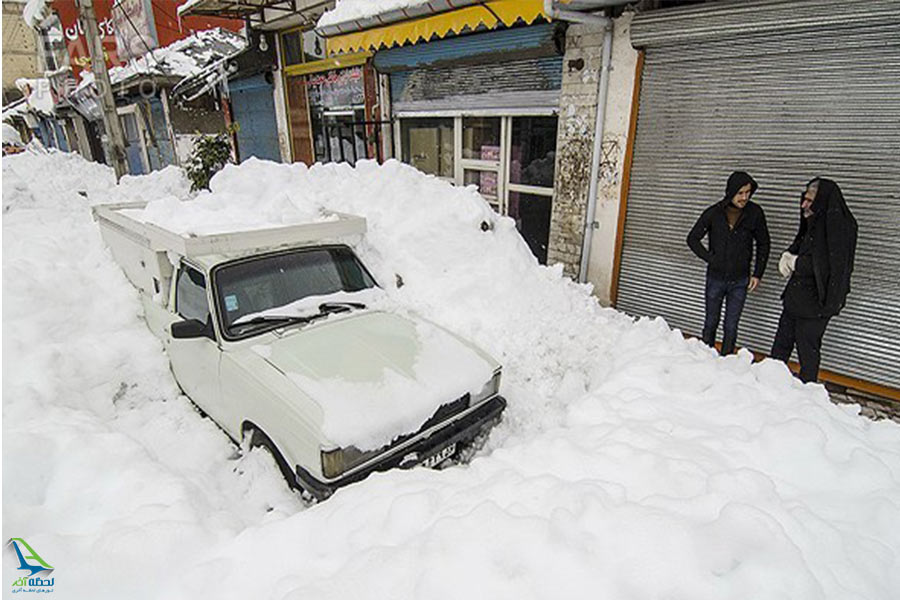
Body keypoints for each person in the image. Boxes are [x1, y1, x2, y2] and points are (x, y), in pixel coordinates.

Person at [771, 178, 857, 383]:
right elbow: (802, 243)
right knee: (781, 345)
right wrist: (789, 254)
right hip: (795, 299)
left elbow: (829, 266)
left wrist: (796, 262)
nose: (804, 205)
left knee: (807, 351)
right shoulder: (815, 220)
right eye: (804, 199)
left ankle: (806, 394)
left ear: (822, 200)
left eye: (809, 200)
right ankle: (768, 383)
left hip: (817, 304)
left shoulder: (840, 227)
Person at [687, 171, 770, 355]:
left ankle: (726, 362)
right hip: (715, 278)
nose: (744, 197)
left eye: (748, 192)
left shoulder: (754, 213)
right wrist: (710, 258)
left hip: (740, 280)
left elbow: (764, 243)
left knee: (731, 326)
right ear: (731, 191)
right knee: (710, 322)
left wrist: (758, 273)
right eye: (740, 193)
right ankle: (705, 357)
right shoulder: (714, 212)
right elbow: (692, 239)